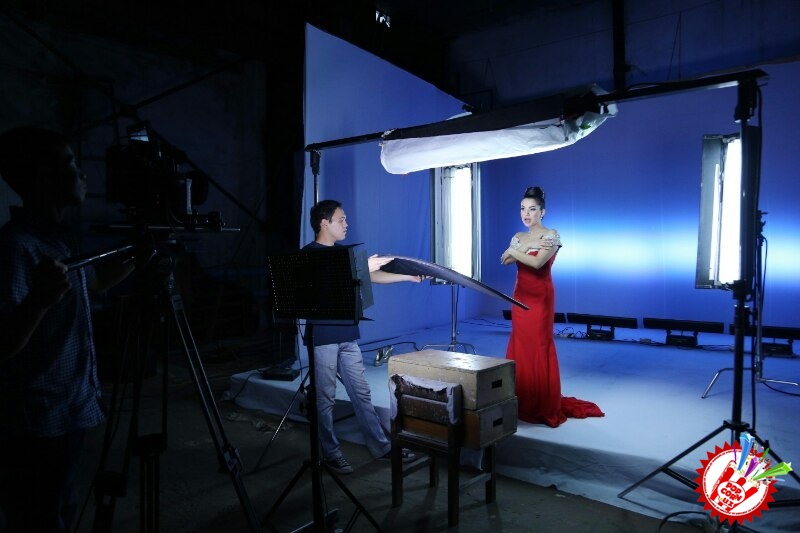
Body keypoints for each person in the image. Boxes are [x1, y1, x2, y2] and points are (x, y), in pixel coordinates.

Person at [0, 127, 134, 532]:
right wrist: (39, 300)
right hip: (37, 421)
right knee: (40, 518)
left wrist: (136, 257)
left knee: (63, 508)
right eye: (72, 163)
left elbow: (90, 284)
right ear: (45, 176)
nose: (83, 174)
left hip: (69, 410)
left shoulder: (58, 241)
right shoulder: (17, 247)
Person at [304, 199, 421, 474]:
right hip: (323, 336)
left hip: (348, 334)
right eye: (341, 219)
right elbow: (324, 284)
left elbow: (372, 276)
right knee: (325, 399)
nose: (346, 224)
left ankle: (381, 447)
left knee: (361, 393)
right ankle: (331, 454)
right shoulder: (309, 255)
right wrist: (360, 268)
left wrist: (407, 277)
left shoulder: (344, 253)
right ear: (324, 223)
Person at [501, 186, 603, 427]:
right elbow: (504, 260)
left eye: (532, 209)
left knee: (539, 345)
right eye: (523, 209)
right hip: (520, 297)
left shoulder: (552, 235)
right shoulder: (519, 236)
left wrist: (516, 250)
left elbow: (537, 263)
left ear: (542, 212)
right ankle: (521, 398)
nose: (526, 214)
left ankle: (542, 403)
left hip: (540, 300)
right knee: (520, 345)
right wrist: (519, 249)